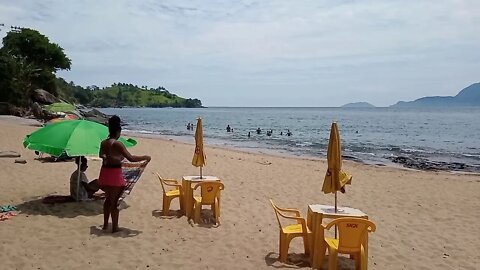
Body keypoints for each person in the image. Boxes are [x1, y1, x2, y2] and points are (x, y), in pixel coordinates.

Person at [98, 115, 151, 233]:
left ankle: (106, 225)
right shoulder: (117, 144)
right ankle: (115, 228)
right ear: (118, 131)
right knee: (115, 202)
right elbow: (131, 158)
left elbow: (101, 155)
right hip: (114, 174)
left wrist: (107, 156)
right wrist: (145, 157)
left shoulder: (103, 143)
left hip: (104, 173)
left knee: (108, 199)